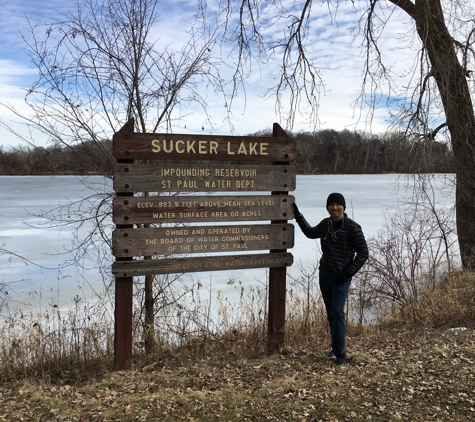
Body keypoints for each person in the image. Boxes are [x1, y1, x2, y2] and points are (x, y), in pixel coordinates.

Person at [293, 193, 368, 365]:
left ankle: (341, 354)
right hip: (325, 275)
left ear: (343, 207)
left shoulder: (352, 228)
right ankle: (335, 348)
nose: (335, 207)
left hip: (342, 278)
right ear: (327, 207)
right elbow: (310, 233)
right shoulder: (326, 224)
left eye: (338, 204)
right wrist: (297, 216)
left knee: (337, 313)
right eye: (331, 205)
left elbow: (363, 253)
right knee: (331, 313)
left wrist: (347, 273)